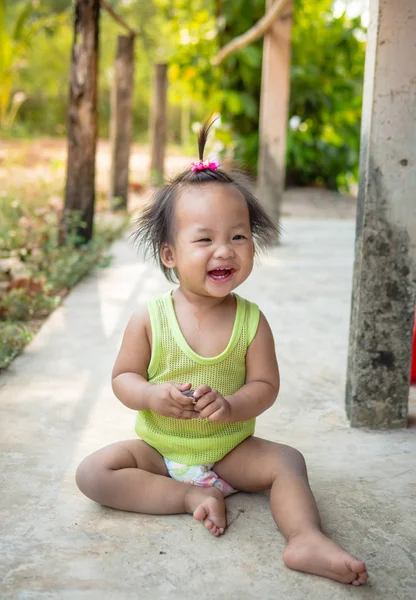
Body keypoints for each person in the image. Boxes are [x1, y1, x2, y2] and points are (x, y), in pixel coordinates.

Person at [76, 121, 368, 586]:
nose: (224, 251)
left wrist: (232, 406)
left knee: (288, 461)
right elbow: (122, 379)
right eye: (204, 239)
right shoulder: (150, 318)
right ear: (169, 254)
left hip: (230, 449)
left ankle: (305, 538)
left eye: (238, 237)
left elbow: (265, 387)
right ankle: (186, 498)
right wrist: (152, 395)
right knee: (93, 473)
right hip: (159, 450)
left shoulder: (252, 321)